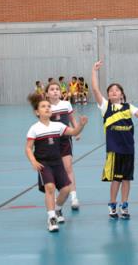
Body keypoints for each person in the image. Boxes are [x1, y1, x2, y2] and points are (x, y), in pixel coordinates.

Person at [91, 61, 138, 219]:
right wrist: (94, 71)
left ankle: (124, 205)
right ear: (108, 96)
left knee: (126, 179)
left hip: (128, 149)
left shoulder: (128, 107)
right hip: (114, 149)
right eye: (111, 91)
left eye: (117, 90)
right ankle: (112, 204)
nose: (114, 92)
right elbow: (95, 90)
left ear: (122, 94)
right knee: (116, 179)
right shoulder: (105, 107)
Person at [25, 93, 87, 232]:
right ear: (37, 112)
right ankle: (51, 217)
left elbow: (74, 131)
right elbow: (28, 148)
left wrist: (81, 125)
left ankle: (58, 208)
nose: (47, 108)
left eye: (48, 106)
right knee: (50, 188)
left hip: (57, 162)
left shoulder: (58, 126)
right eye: (43, 106)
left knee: (65, 190)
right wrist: (33, 161)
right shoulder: (34, 128)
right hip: (44, 163)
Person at [45, 82, 81, 210]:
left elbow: (72, 118)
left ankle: (74, 196)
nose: (55, 91)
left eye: (57, 89)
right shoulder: (46, 107)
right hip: (51, 142)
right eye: (52, 89)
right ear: (47, 93)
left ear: (60, 92)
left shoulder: (66, 104)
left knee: (68, 167)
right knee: (53, 170)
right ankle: (55, 197)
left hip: (65, 140)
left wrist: (76, 130)